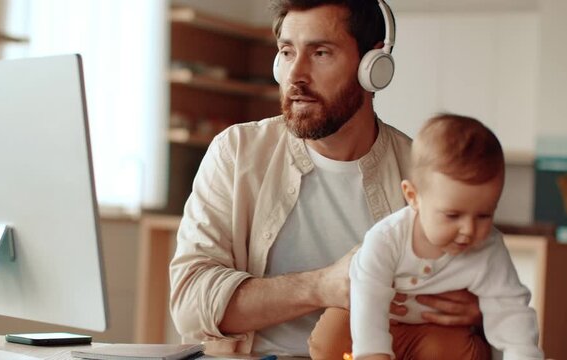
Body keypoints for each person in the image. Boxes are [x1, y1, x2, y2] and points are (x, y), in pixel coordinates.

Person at [170, 0, 486, 356]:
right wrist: (321, 286)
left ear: (373, 66)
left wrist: (480, 313)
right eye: (287, 53)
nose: (295, 76)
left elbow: (482, 286)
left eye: (320, 53)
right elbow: (190, 304)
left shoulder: (423, 173)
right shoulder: (237, 152)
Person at [310, 114, 545, 360]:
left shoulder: (489, 250)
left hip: (432, 330)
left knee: (458, 352)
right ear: (413, 196)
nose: (468, 230)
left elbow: (510, 312)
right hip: (375, 318)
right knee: (330, 339)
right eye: (452, 215)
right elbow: (368, 300)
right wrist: (372, 354)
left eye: (484, 215)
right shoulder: (386, 239)